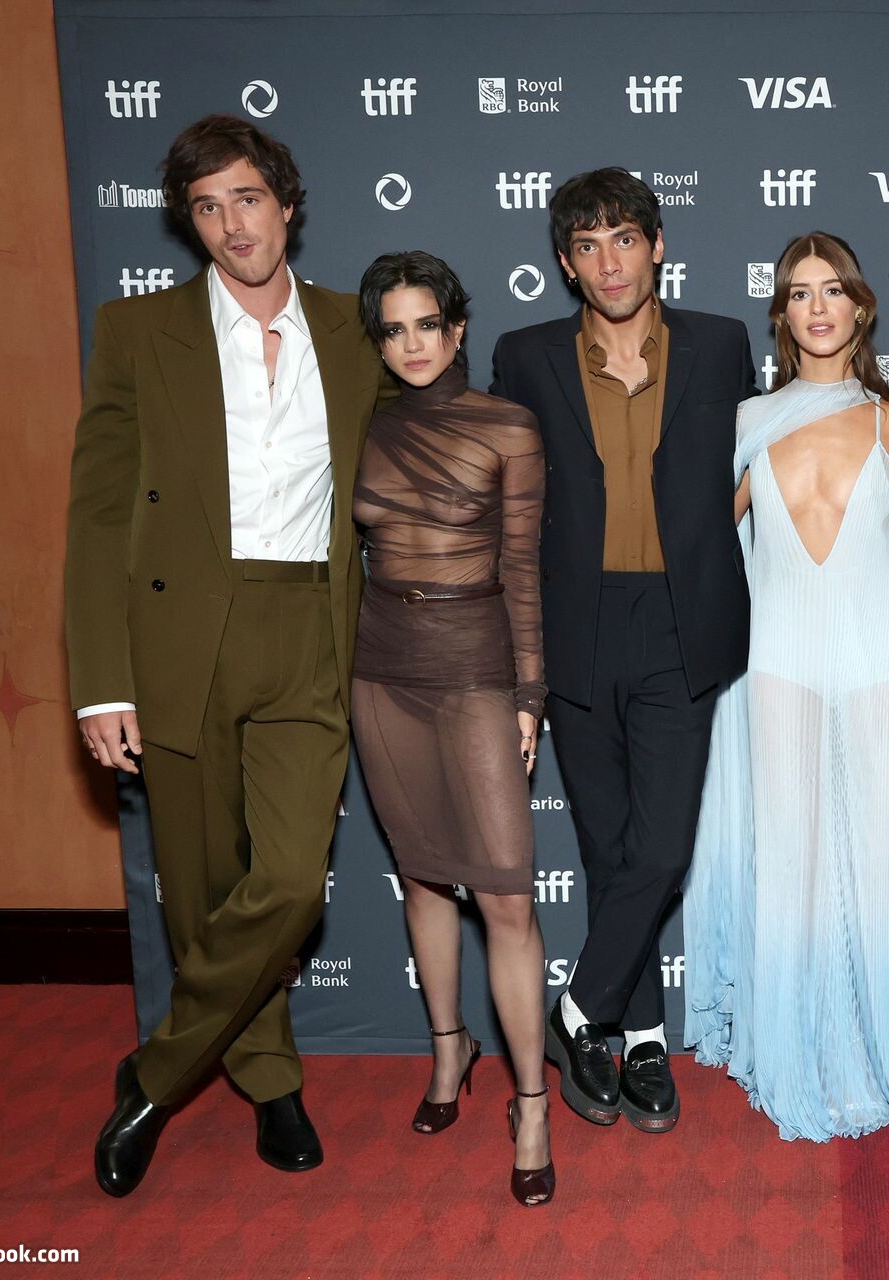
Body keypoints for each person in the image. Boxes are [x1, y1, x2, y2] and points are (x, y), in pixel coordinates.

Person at [67, 115, 383, 1197]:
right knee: (201, 890)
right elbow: (98, 515)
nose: (232, 225)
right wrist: (100, 682)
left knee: (288, 881)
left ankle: (157, 1074)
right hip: (180, 635)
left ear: (286, 204)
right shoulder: (137, 330)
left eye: (247, 198)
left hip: (308, 628)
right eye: (207, 207)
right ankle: (269, 1074)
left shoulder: (351, 329)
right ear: (189, 223)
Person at [489, 169, 756, 1134]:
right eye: (588, 246)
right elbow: (506, 499)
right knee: (606, 846)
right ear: (567, 263)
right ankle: (639, 1037)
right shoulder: (525, 357)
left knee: (662, 846)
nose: (609, 263)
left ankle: (575, 1013)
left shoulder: (721, 344)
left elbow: (762, 455)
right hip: (575, 624)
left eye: (625, 239)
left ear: (657, 245)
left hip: (684, 622)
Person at [682, 232, 889, 1141]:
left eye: (833, 290)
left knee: (880, 867)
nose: (819, 307)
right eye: (800, 293)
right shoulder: (746, 424)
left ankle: (875, 1057)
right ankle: (790, 1055)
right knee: (788, 863)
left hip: (881, 660)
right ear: (782, 315)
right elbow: (703, 548)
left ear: (861, 306)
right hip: (780, 658)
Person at [351, 251, 553, 1207]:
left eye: (426, 324)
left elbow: (524, 567)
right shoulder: (366, 423)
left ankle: (531, 1103)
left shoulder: (508, 425)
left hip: (475, 667)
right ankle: (447, 1051)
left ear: (458, 327)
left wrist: (529, 693)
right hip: (380, 668)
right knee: (423, 874)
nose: (412, 345)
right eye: (393, 330)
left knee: (506, 896)